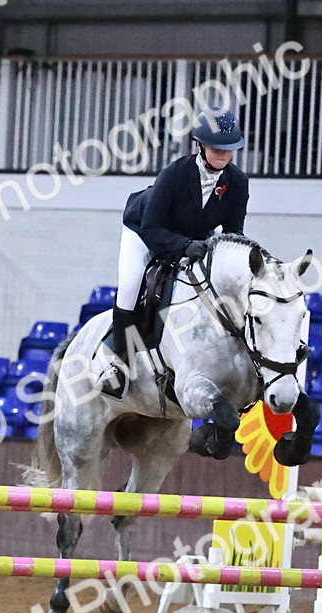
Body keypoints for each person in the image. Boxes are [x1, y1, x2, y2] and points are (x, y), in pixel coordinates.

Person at [98, 107, 251, 400]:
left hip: (194, 237)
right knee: (130, 286)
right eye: (217, 148)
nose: (223, 154)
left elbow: (234, 234)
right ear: (200, 145)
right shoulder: (174, 174)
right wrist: (183, 246)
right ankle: (118, 366)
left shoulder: (238, 182)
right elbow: (150, 228)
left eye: (229, 149)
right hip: (144, 232)